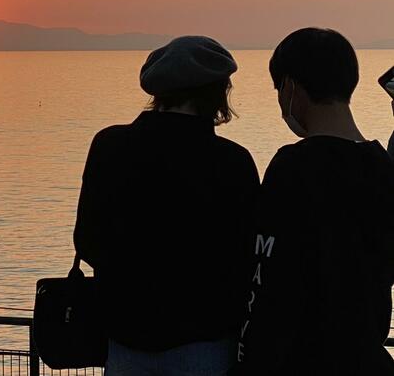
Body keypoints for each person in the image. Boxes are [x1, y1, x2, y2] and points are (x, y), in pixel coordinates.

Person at [75, 36, 259, 375]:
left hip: (125, 338)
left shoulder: (110, 146)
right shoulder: (232, 162)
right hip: (207, 341)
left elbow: (87, 241)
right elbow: (248, 256)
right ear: (217, 94)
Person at [232, 28, 394, 375]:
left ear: (290, 87)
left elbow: (269, 284)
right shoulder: (384, 167)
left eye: (279, 90)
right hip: (367, 360)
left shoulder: (292, 169)